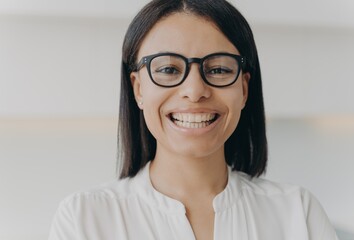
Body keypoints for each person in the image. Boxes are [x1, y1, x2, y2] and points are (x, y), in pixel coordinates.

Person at [49, 0, 339, 239]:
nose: (195, 90)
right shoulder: (84, 219)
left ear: (244, 89)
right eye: (168, 69)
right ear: (138, 88)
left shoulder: (298, 213)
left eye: (219, 70)